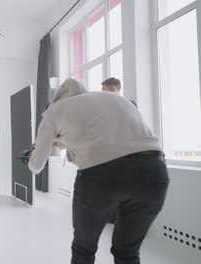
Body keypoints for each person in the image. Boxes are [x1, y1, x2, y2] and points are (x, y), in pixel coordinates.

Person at [28, 78, 169, 264]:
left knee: (83, 248)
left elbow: (37, 165)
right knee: (127, 252)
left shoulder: (52, 112)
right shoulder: (111, 99)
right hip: (154, 172)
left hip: (102, 177)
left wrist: (31, 158)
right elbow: (100, 135)